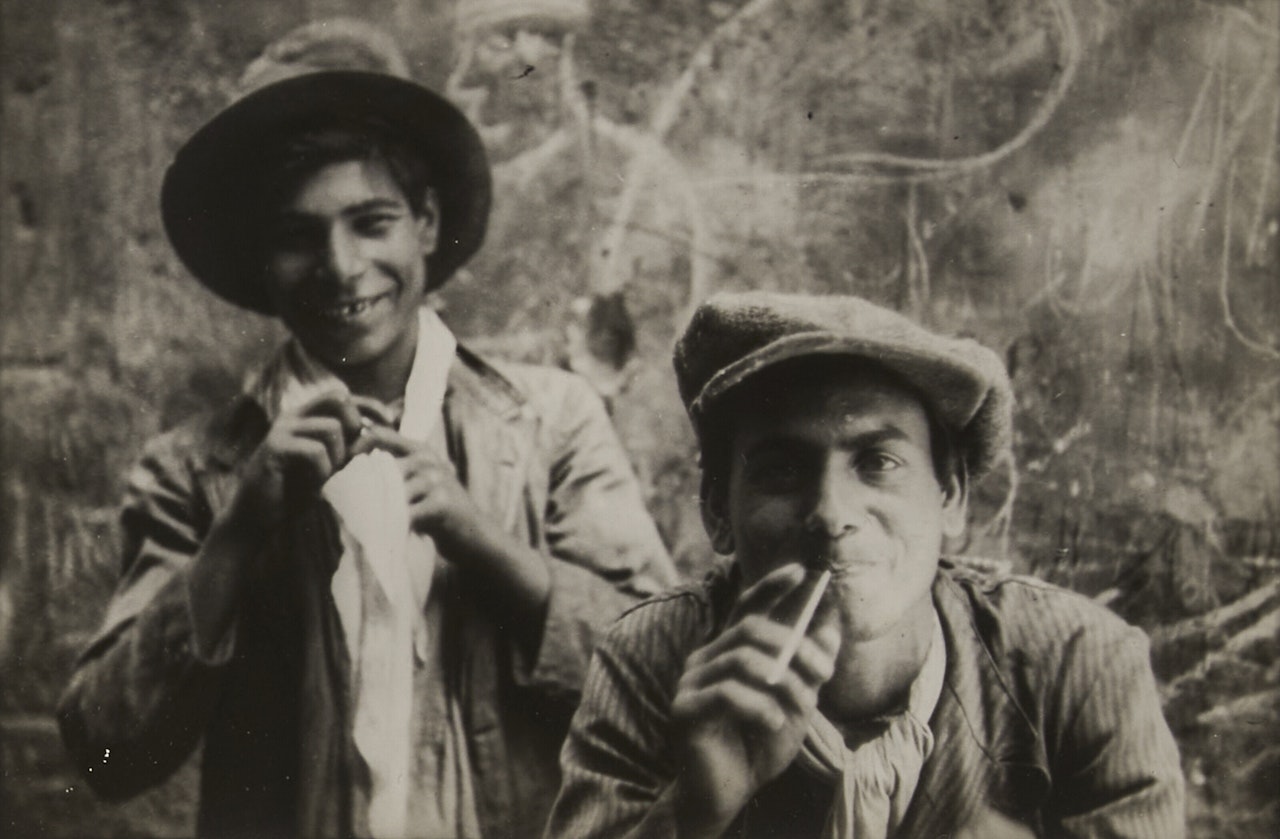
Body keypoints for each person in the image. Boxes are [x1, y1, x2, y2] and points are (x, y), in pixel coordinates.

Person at [56, 51, 676, 839]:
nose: (342, 267)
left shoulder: (549, 422)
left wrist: (483, 542)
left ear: (426, 223)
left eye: (372, 222)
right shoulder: (193, 468)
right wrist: (238, 530)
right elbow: (107, 750)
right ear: (259, 259)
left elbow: (663, 686)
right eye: (297, 236)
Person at [545, 290, 1185, 838]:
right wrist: (690, 812)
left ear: (951, 495)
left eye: (878, 462)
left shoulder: (1080, 665)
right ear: (717, 509)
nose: (831, 513)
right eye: (782, 470)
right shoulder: (650, 658)